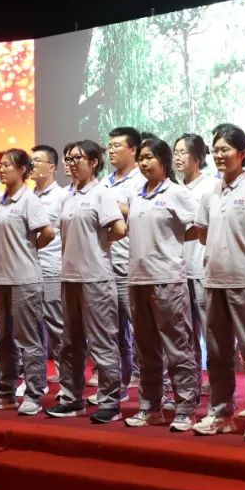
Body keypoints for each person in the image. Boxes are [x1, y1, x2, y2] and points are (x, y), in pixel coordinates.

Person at [192, 125, 245, 441]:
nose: (219, 155)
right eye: (216, 150)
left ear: (242, 154)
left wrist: (244, 250)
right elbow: (202, 233)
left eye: (225, 149)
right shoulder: (210, 192)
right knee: (217, 353)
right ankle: (221, 414)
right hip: (214, 281)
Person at [46, 140, 128, 424]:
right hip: (69, 277)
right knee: (70, 344)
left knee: (103, 343)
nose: (70, 163)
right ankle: (72, 399)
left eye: (76, 158)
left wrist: (99, 243)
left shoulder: (101, 193)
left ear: (93, 162)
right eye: (68, 158)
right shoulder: (67, 196)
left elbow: (119, 229)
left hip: (96, 278)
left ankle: (110, 403)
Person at [123, 138, 200, 431]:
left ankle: (185, 409)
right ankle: (150, 407)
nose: (143, 163)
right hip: (137, 279)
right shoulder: (136, 193)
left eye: (149, 157)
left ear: (164, 161)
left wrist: (171, 246)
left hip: (167, 279)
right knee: (145, 348)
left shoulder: (176, 193)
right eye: (141, 158)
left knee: (177, 346)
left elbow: (195, 228)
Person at [0, 149, 54, 415]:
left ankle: (33, 394)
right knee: (3, 339)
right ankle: (5, 392)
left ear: (23, 170)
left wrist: (28, 250)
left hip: (25, 280)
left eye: (8, 165)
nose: (2, 169)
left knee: (29, 340)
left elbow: (47, 233)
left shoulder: (29, 200)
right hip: (0, 279)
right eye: (1, 165)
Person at [103, 126, 144, 401]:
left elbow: (143, 213)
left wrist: (114, 207)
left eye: (117, 145)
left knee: (141, 329)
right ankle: (120, 384)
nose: (112, 150)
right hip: (106, 265)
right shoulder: (104, 182)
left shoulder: (141, 180)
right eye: (110, 146)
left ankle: (152, 387)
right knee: (113, 332)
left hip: (132, 265)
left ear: (133, 150)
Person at [173, 133, 211, 392]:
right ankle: (191, 383)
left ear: (197, 156)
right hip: (177, 270)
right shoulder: (172, 189)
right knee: (184, 333)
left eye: (183, 152)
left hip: (203, 267)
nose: (177, 157)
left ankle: (219, 384)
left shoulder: (211, 186)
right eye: (175, 152)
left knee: (211, 331)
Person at [32, 145, 69, 388]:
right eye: (31, 161)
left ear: (52, 167)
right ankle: (37, 375)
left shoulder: (61, 196)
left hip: (52, 266)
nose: (32, 165)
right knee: (32, 323)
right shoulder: (27, 196)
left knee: (56, 322)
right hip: (28, 268)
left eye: (38, 161)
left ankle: (66, 372)